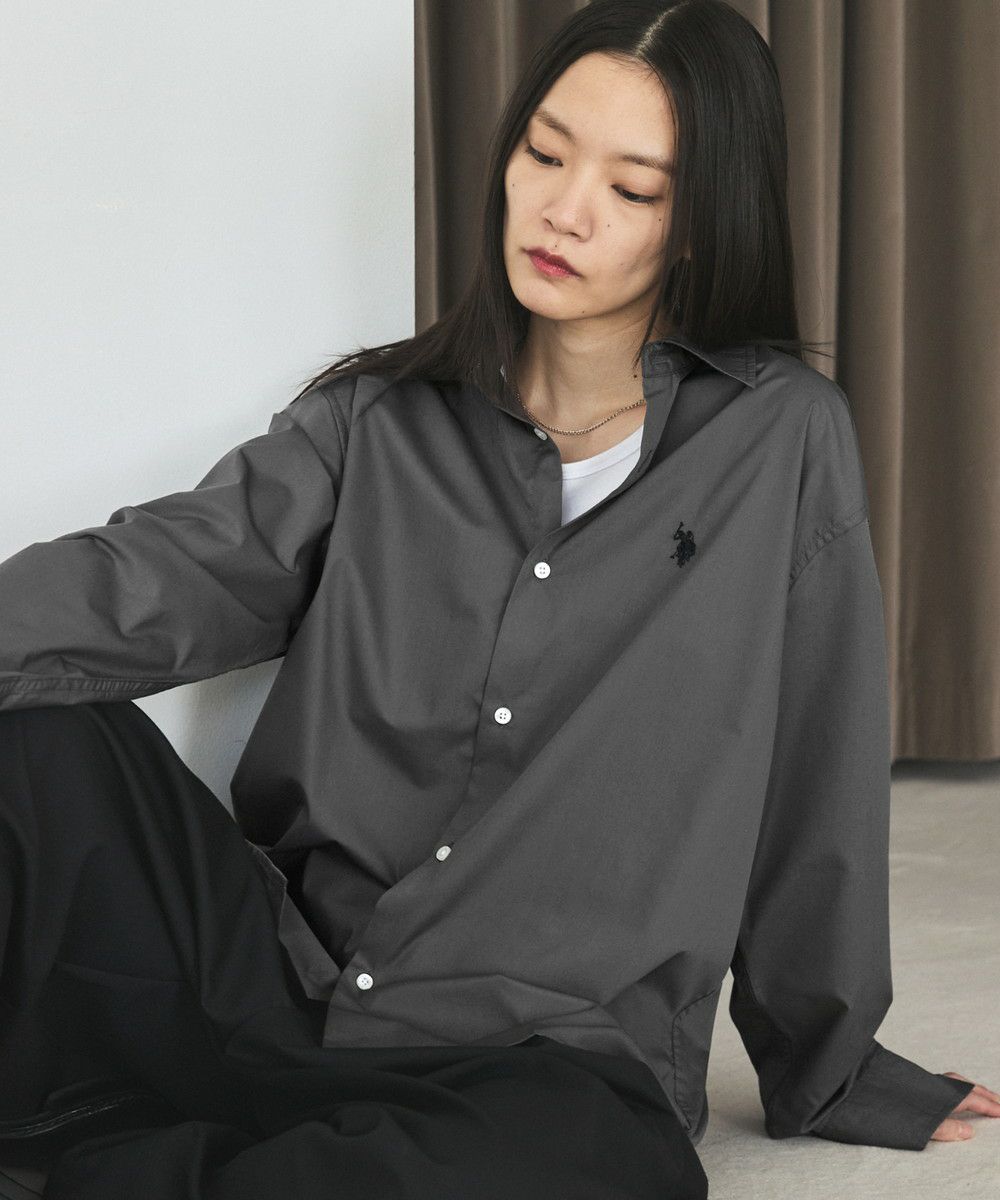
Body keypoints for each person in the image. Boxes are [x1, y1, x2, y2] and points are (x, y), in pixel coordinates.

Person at [1, 1, 996, 1196]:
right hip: (278, 982)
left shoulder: (778, 442)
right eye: (543, 153)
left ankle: (125, 1155)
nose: (564, 211)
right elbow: (155, 575)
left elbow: (814, 766)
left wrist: (826, 1064)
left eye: (631, 189)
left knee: (592, 1159)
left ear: (697, 223)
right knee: (34, 730)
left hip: (536, 1056)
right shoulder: (372, 421)